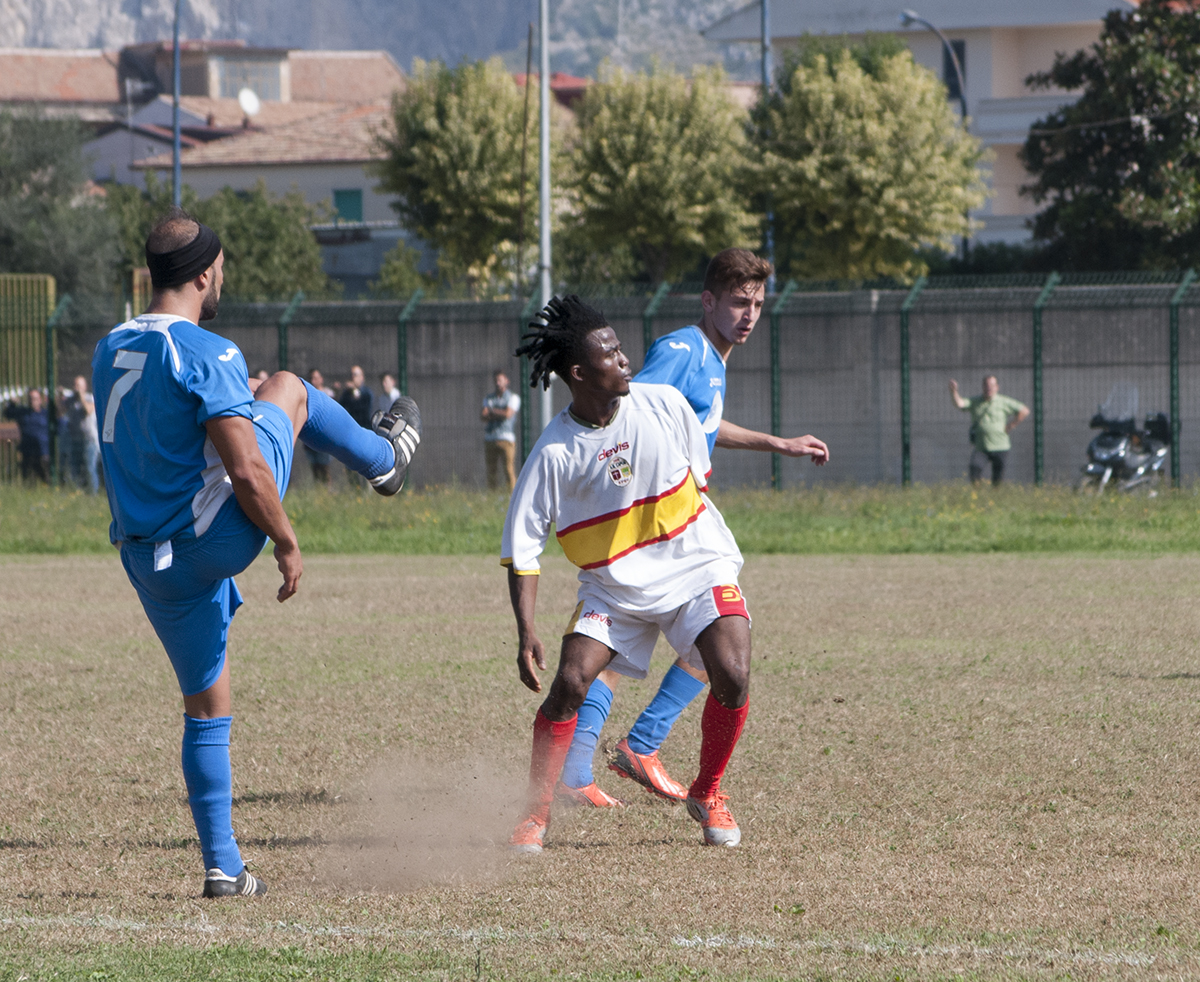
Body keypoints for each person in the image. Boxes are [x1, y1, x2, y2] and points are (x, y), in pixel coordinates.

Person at [92, 207, 422, 898]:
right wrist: (286, 539)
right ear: (203, 274)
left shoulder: (110, 346)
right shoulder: (207, 351)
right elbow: (246, 471)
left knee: (206, 707)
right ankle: (384, 460)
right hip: (218, 536)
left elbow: (170, 420)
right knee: (291, 389)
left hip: (148, 561)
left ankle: (223, 867)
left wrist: (233, 397)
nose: (222, 280)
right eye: (221, 270)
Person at [557, 248, 830, 809]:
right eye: (737, 301)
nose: (749, 314)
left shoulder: (711, 358)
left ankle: (588, 766)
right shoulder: (683, 349)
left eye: (757, 303)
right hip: (658, 522)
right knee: (710, 631)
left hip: (668, 519)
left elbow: (700, 421)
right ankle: (637, 745)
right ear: (708, 301)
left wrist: (777, 443)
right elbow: (630, 407)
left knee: (635, 642)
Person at [504, 295, 751, 853]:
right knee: (570, 683)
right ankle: (534, 814)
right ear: (578, 372)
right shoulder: (554, 453)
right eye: (610, 353)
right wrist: (526, 631)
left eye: (620, 348)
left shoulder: (664, 404)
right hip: (613, 587)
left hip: (695, 563)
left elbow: (698, 484)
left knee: (733, 671)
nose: (624, 359)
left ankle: (708, 791)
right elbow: (523, 550)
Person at [949, 375, 1029, 485]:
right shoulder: (976, 401)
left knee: (997, 477)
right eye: (986, 385)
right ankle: (977, 492)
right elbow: (959, 404)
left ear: (997, 387)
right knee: (975, 468)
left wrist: (1011, 425)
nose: (989, 388)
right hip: (981, 446)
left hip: (1000, 446)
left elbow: (1024, 410)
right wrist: (954, 392)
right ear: (982, 387)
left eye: (992, 385)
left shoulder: (1003, 401)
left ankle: (996, 494)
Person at [481, 370, 521, 490]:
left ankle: (512, 494)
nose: (498, 383)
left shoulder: (513, 397)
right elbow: (483, 415)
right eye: (496, 381)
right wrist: (499, 412)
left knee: (508, 469)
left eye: (500, 380)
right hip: (490, 438)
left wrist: (492, 411)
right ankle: (492, 494)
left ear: (506, 381)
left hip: (506, 438)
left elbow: (508, 414)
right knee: (491, 470)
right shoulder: (489, 398)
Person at [62, 375, 101, 493]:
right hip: (75, 438)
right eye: (75, 385)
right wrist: (60, 397)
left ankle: (93, 493)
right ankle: (77, 491)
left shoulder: (90, 398)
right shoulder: (71, 400)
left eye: (78, 385)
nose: (76, 388)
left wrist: (81, 397)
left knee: (90, 468)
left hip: (89, 440)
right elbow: (60, 412)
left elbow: (88, 410)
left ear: (85, 387)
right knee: (75, 468)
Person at [4, 388, 50, 484]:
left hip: (43, 452)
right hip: (28, 452)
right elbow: (7, 413)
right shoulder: (23, 412)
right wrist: (12, 403)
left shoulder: (46, 414)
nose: (33, 401)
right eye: (30, 399)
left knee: (47, 480)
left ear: (40, 400)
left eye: (35, 399)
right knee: (29, 482)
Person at [303, 370, 334, 487]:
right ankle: (319, 489)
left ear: (321, 379)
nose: (314, 381)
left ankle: (328, 489)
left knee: (325, 467)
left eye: (316, 378)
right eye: (312, 378)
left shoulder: (328, 394)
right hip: (310, 435)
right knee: (315, 467)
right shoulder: (306, 395)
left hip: (324, 435)